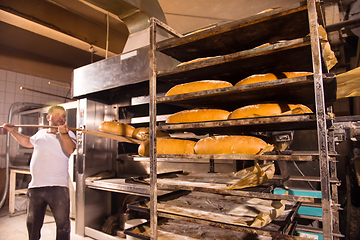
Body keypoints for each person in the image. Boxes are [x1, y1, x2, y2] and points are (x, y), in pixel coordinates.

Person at [2, 105, 76, 240]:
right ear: (48, 117)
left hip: (58, 188)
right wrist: (12, 131)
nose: (62, 118)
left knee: (63, 227)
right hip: (36, 187)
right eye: (58, 114)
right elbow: (26, 141)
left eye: (64, 115)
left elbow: (70, 149)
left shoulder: (69, 134)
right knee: (32, 226)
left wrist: (63, 134)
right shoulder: (40, 134)